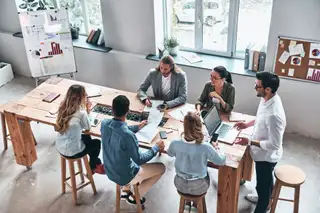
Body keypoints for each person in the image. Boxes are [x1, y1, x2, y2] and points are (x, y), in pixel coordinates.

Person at [234, 71, 286, 213]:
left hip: (266, 157)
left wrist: (250, 142)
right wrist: (247, 125)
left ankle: (263, 204)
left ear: (267, 89)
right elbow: (260, 118)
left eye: (257, 86)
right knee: (263, 183)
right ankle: (264, 197)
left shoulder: (274, 115)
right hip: (260, 152)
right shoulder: (267, 98)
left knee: (263, 187)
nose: (254, 88)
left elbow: (274, 145)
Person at [101, 95, 166, 205]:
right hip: (125, 175)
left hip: (110, 170)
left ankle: (126, 189)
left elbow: (119, 127)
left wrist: (137, 127)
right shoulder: (128, 136)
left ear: (112, 110)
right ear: (128, 111)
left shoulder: (104, 124)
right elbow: (139, 159)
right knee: (162, 168)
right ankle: (136, 196)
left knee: (124, 156)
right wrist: (156, 147)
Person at [168, 112, 226, 213]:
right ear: (200, 127)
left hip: (179, 184)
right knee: (206, 174)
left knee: (187, 179)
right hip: (199, 187)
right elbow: (221, 161)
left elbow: (170, 154)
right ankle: (195, 205)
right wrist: (216, 148)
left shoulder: (175, 143)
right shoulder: (206, 147)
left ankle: (186, 205)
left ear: (184, 127)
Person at [55, 84, 105, 174]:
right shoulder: (81, 113)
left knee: (87, 138)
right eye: (85, 95)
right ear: (80, 98)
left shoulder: (62, 107)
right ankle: (93, 166)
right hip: (72, 152)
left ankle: (95, 163)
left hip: (60, 145)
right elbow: (88, 127)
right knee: (97, 143)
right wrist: (87, 110)